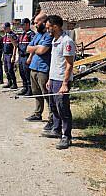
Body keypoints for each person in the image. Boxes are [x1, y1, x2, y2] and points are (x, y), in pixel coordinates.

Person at [41, 15, 76, 150]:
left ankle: (66, 136)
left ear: (55, 26)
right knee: (53, 106)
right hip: (54, 79)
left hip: (62, 80)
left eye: (49, 26)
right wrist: (50, 79)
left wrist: (65, 84)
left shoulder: (67, 42)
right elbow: (54, 63)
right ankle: (56, 129)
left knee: (63, 109)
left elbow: (69, 65)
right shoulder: (55, 40)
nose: (47, 29)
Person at [25, 12, 53, 130]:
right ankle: (38, 113)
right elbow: (28, 48)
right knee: (36, 93)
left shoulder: (49, 35)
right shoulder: (37, 35)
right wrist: (37, 48)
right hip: (34, 68)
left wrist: (35, 48)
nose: (35, 25)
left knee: (47, 95)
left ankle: (52, 118)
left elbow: (43, 51)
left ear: (44, 21)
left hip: (43, 69)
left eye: (37, 22)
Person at [15, 18, 35, 96]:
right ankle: (25, 87)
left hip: (26, 56)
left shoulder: (31, 34)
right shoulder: (22, 34)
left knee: (27, 74)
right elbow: (17, 45)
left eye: (23, 25)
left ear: (27, 24)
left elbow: (33, 46)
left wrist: (30, 57)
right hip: (21, 56)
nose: (22, 27)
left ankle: (30, 89)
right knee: (22, 73)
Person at [2, 22, 18, 89]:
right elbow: (4, 46)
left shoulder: (12, 35)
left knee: (10, 69)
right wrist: (3, 56)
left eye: (5, 28)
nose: (4, 29)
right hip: (5, 54)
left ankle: (14, 83)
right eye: (3, 28)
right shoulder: (5, 36)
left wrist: (13, 56)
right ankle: (9, 82)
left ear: (8, 28)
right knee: (6, 69)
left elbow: (15, 46)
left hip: (10, 54)